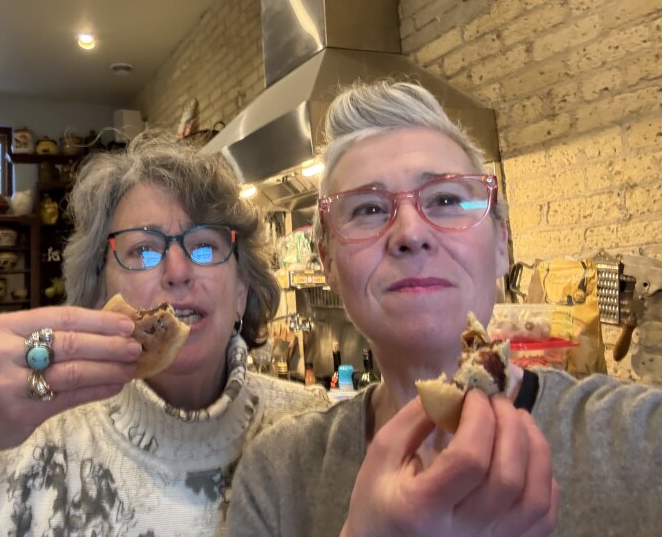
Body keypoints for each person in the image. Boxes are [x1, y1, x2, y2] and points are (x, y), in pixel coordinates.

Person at [0, 132, 329, 535]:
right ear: (98, 294)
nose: (179, 270)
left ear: (243, 289)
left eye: (206, 246)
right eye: (142, 249)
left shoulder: (321, 434)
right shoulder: (24, 444)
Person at [228, 80, 662, 536]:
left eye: (447, 200)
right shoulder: (276, 476)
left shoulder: (640, 442)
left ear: (502, 244)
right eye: (369, 209)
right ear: (328, 261)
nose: (411, 233)